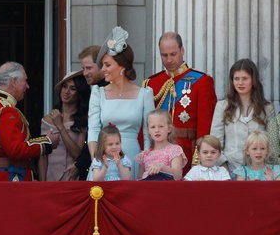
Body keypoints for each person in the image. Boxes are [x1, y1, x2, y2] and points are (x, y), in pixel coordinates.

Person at [142, 31, 217, 173]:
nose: (169, 59)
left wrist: (199, 157)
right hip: (156, 153)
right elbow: (144, 126)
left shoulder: (201, 81)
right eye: (164, 55)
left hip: (187, 151)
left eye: (173, 54)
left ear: (182, 51)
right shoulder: (151, 84)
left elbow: (205, 126)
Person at [87, 26, 154, 180]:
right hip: (103, 160)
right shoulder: (98, 93)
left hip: (132, 157)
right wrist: (97, 162)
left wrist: (143, 168)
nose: (103, 69)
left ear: (122, 67)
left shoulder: (145, 94)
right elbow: (93, 130)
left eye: (107, 65)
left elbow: (147, 135)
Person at [0, 61, 59, 181]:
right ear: (14, 81)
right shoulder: (6, 110)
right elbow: (15, 150)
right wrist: (47, 143)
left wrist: (45, 139)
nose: (27, 86)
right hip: (10, 178)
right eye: (25, 80)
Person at [210, 58, 279, 174]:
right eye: (236, 79)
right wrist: (224, 168)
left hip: (259, 171)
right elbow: (215, 142)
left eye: (245, 78)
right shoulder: (222, 106)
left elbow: (271, 143)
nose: (240, 83)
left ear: (254, 80)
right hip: (230, 170)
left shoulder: (267, 108)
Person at [38, 70, 90, 181]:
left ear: (79, 93)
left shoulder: (83, 120)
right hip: (50, 179)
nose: (66, 92)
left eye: (73, 88)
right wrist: (42, 184)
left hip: (72, 179)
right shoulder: (47, 120)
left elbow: (77, 155)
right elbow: (43, 157)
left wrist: (60, 126)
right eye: (64, 87)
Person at [135, 109, 187, 180]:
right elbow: (139, 179)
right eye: (153, 127)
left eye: (161, 126)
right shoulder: (144, 155)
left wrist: (162, 168)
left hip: (165, 189)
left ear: (169, 128)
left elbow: (178, 175)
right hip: (147, 189)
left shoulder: (175, 150)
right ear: (148, 131)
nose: (157, 130)